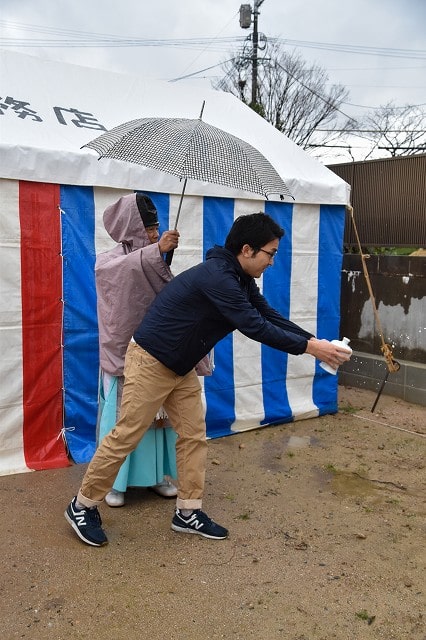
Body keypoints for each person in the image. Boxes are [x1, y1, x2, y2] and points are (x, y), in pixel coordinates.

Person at [65, 212, 351, 546]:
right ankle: (82, 505)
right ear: (247, 249)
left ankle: (187, 511)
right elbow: (254, 326)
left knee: (193, 435)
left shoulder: (240, 280)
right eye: (270, 253)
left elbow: (267, 314)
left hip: (180, 365)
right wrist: (311, 348)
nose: (272, 261)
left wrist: (314, 341)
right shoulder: (219, 278)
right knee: (127, 434)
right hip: (151, 360)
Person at [95, 192, 180, 508]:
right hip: (122, 352)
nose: (155, 234)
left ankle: (155, 476)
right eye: (148, 229)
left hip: (154, 351)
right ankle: (112, 482)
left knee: (156, 415)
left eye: (156, 228)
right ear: (131, 227)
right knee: (122, 418)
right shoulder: (108, 260)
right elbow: (122, 275)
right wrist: (157, 251)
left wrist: (162, 255)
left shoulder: (153, 254)